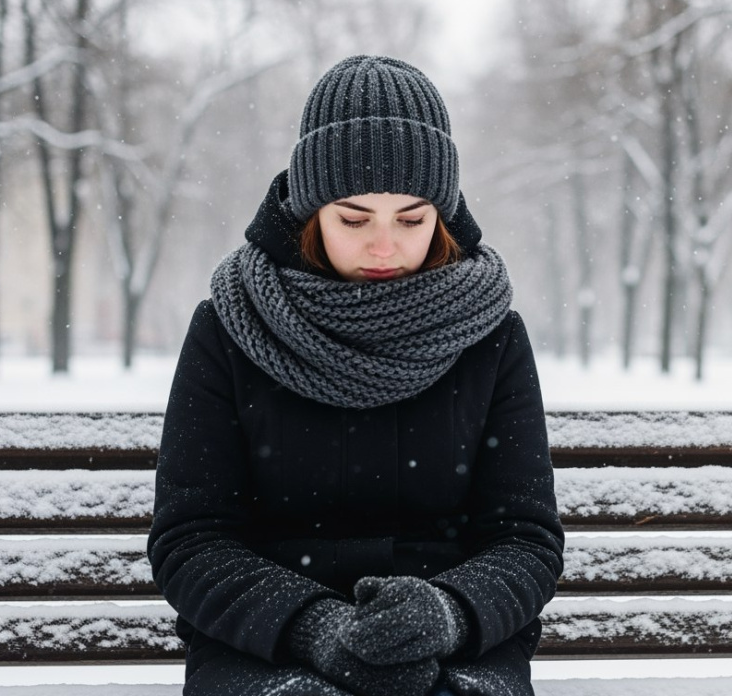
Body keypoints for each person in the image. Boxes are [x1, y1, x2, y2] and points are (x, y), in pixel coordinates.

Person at [147, 54, 565, 696]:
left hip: (455, 655)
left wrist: (448, 613)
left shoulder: (491, 336)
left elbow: (524, 538)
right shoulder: (230, 328)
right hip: (267, 651)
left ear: (443, 216)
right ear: (308, 209)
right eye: (353, 217)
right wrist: (313, 626)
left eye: (411, 218)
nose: (383, 245)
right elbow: (193, 539)